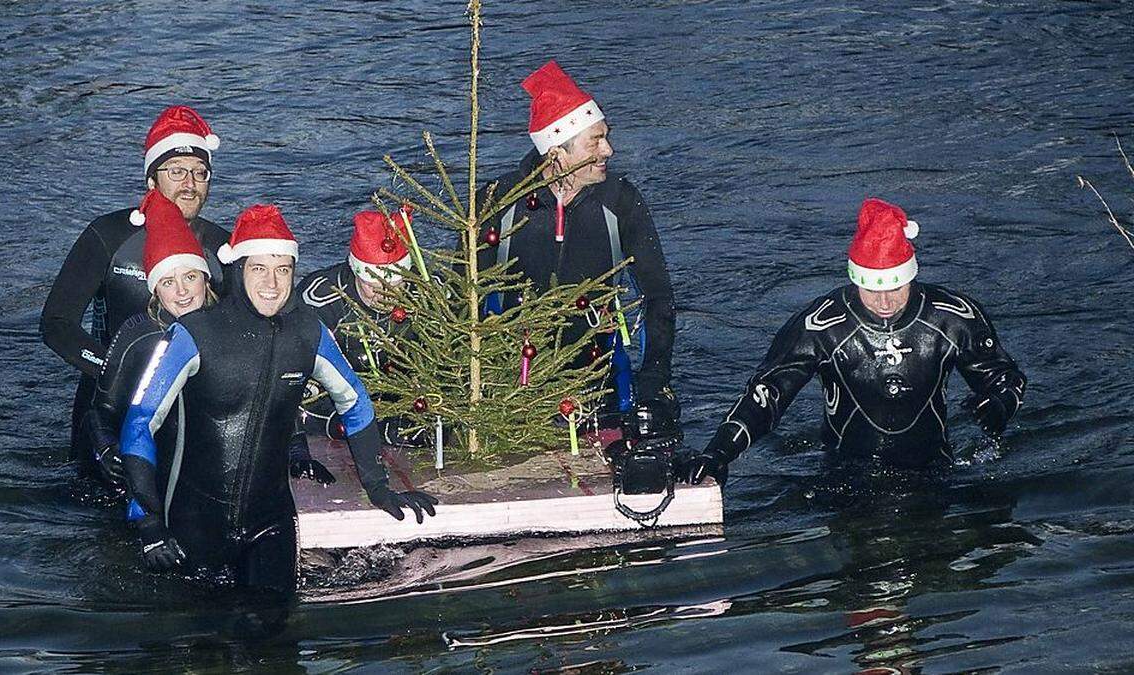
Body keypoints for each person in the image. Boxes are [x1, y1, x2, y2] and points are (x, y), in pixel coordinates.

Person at [120, 204, 437, 594]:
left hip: (270, 523)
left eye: (283, 269)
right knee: (199, 645)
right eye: (259, 268)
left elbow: (354, 403)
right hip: (195, 520)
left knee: (277, 640)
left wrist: (378, 487)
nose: (272, 282)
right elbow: (139, 422)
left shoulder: (308, 333)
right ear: (237, 270)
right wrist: (149, 523)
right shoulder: (193, 333)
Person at [683, 198, 1027, 485]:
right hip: (845, 476)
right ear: (854, 281)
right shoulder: (822, 325)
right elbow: (769, 393)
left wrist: (999, 407)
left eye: (895, 287)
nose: (885, 301)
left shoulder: (951, 317)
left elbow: (1006, 378)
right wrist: (719, 453)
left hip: (933, 472)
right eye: (872, 289)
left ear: (912, 275)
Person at [479, 60, 676, 419]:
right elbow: (467, 295)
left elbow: (657, 297)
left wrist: (655, 378)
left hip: (600, 384)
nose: (608, 151)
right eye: (595, 141)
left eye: (606, 136)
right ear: (557, 153)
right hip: (511, 385)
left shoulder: (621, 201)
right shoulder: (500, 201)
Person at [40, 105, 229, 475]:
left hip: (187, 406)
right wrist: (112, 370)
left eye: (199, 173)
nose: (189, 183)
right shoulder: (108, 237)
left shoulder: (222, 248)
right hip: (106, 406)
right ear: (151, 180)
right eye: (176, 172)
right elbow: (56, 324)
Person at [86, 190, 218, 486]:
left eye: (190, 277)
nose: (182, 292)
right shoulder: (137, 334)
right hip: (147, 470)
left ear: (206, 278)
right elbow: (100, 412)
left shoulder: (231, 327)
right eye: (169, 282)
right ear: (155, 289)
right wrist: (107, 449)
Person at [297, 208, 428, 445]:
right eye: (373, 285)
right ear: (356, 272)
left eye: (395, 284)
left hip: (406, 399)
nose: (386, 295)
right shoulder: (320, 301)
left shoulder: (428, 298)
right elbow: (297, 388)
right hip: (336, 403)